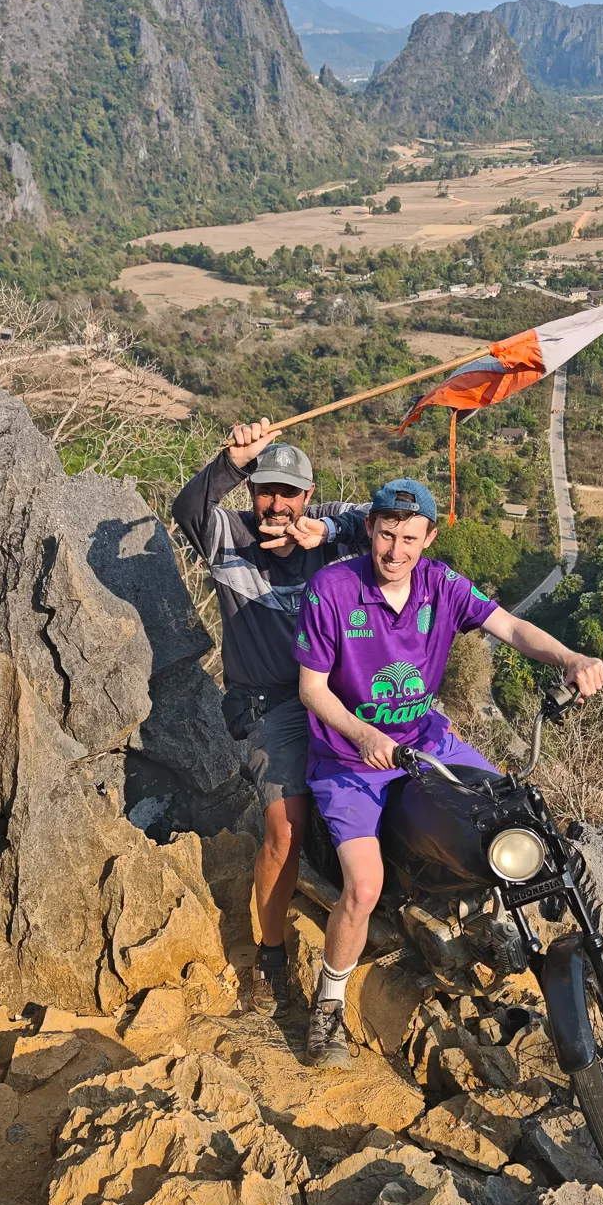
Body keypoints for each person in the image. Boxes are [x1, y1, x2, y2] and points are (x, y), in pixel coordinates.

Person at [295, 477, 603, 1069]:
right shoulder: (331, 589)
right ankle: (330, 999)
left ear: (429, 538)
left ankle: (507, 925)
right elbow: (312, 689)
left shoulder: (441, 585)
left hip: (426, 740)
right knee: (363, 887)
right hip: (348, 759)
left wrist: (571, 656)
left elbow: (510, 628)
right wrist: (363, 735)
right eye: (386, 535)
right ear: (369, 530)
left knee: (513, 813)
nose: (395, 551)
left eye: (410, 539)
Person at [172, 416, 367, 1012]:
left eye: (289, 492)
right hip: (269, 704)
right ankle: (272, 957)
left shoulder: (330, 538)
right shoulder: (228, 534)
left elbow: (386, 519)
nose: (276, 504)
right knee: (285, 828)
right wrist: (234, 460)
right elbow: (187, 507)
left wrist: (327, 529)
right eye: (265, 490)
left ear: (309, 496)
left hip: (336, 695)